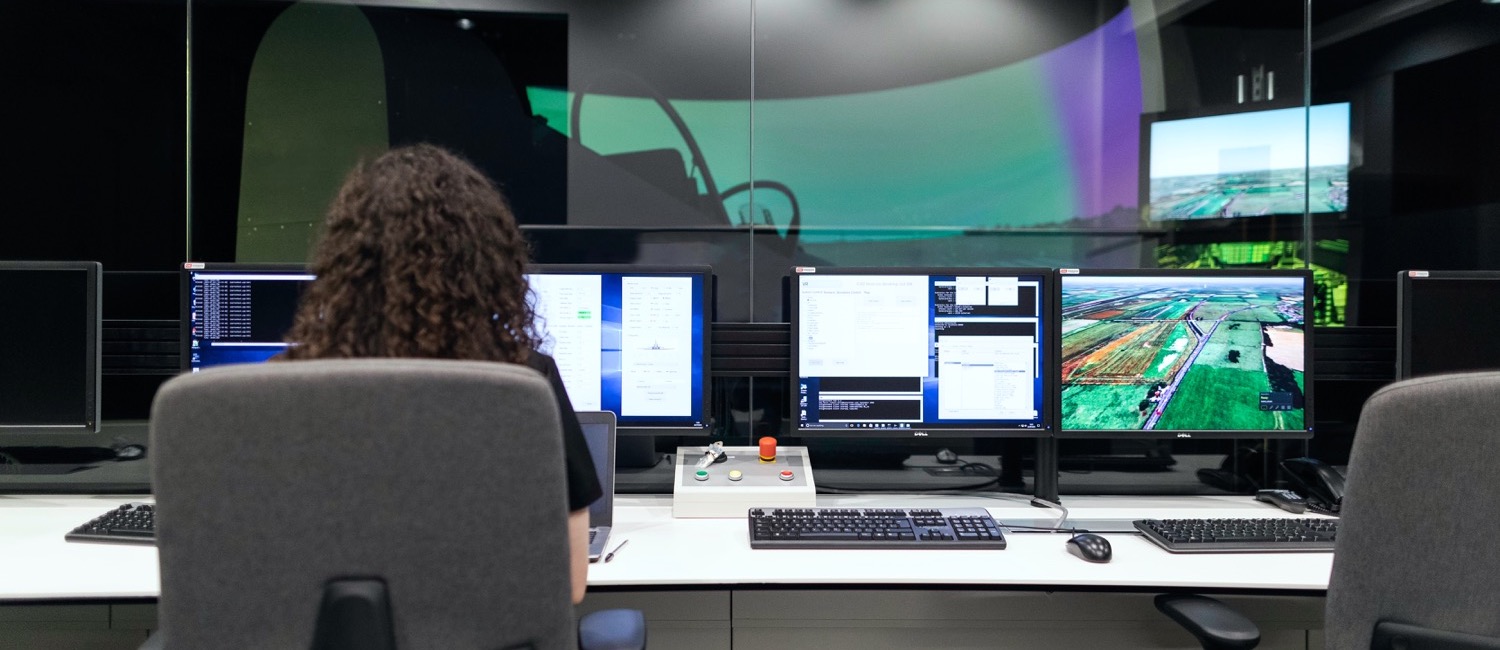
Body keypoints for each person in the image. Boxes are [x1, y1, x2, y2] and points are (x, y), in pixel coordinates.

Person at [280, 143, 602, 604]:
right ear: (487, 265)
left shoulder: (275, 392)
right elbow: (569, 585)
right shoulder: (524, 386)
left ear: (344, 263)